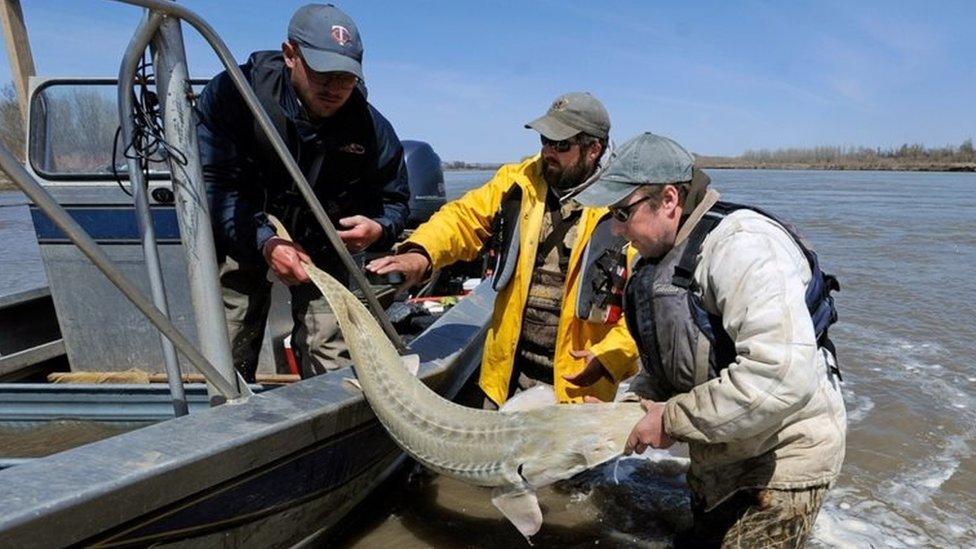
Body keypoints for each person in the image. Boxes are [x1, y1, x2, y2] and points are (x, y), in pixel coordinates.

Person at [573, 132, 846, 547]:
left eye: (621, 213)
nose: (615, 227)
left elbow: (778, 377)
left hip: (784, 460)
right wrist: (625, 414)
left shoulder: (743, 247)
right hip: (720, 457)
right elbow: (666, 368)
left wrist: (669, 420)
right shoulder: (657, 260)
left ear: (668, 200)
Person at [367, 92, 638, 407]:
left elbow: (642, 302)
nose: (549, 151)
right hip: (505, 377)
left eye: (561, 144)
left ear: (594, 149)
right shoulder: (518, 180)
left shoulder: (626, 205)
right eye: (545, 140)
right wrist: (421, 252)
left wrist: (610, 359)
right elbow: (464, 218)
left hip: (580, 388)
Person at [196, 4, 410, 381]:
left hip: (322, 243)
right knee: (227, 343)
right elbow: (215, 186)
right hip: (244, 227)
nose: (333, 88)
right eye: (322, 73)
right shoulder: (236, 96)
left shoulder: (371, 128)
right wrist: (266, 241)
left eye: (345, 77)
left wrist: (378, 228)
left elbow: (395, 202)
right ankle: (228, 417)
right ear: (290, 55)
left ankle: (329, 424)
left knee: (332, 350)